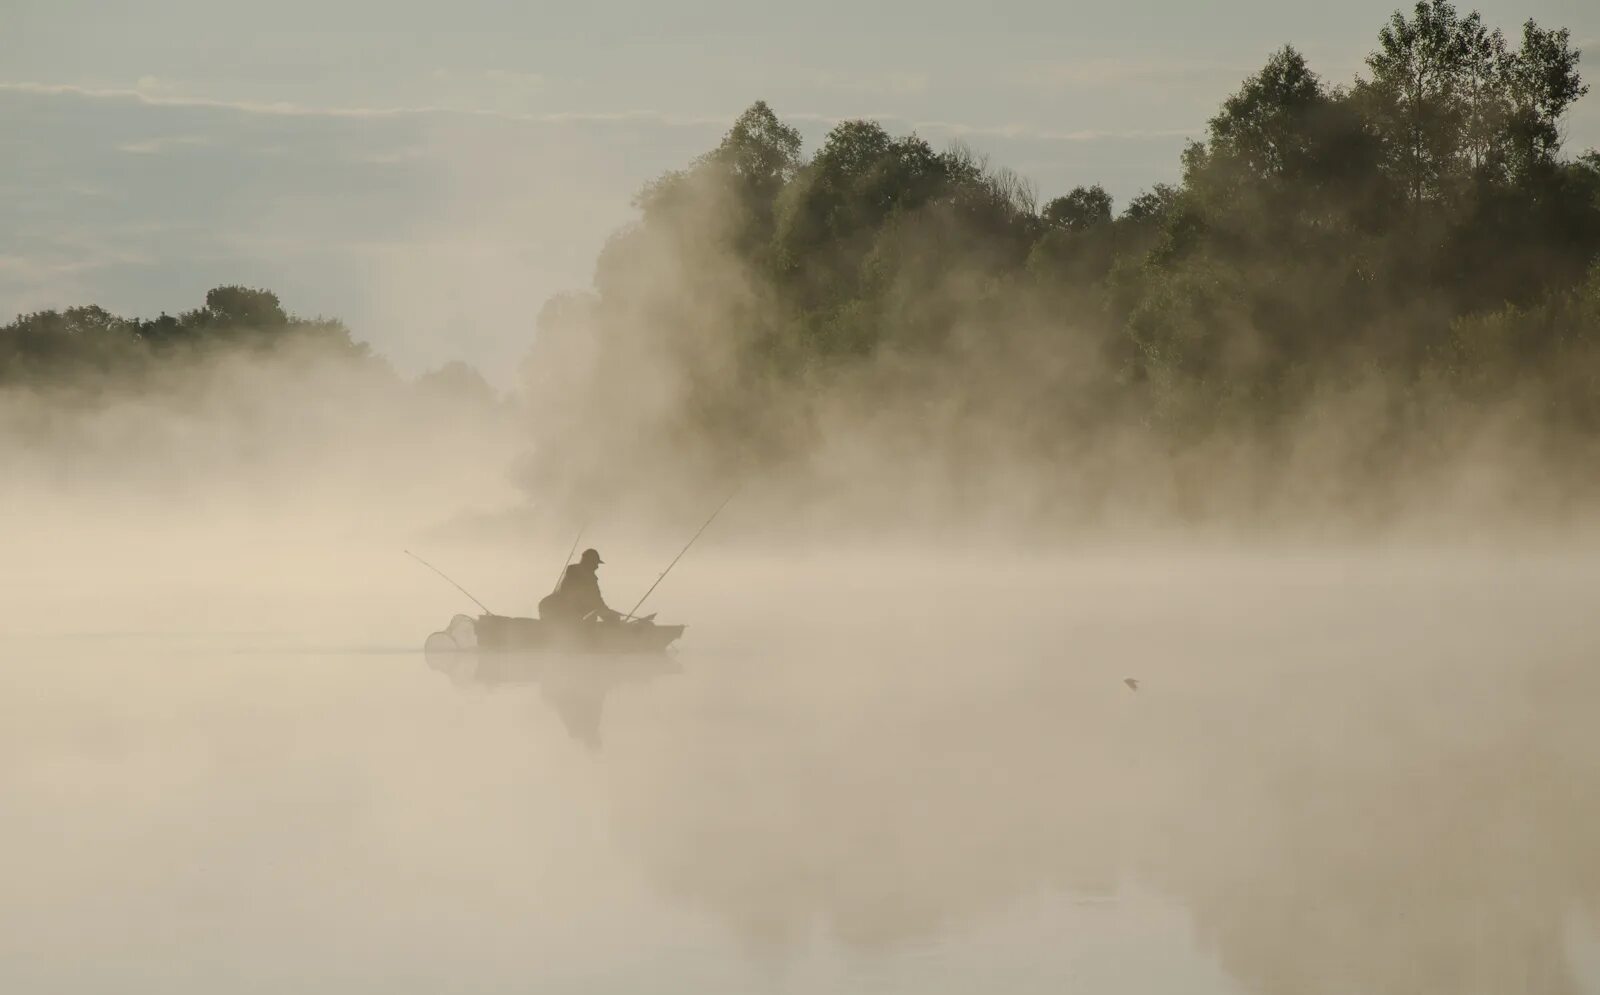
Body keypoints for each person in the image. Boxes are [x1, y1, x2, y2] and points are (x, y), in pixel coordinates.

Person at [538, 548, 622, 624]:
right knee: (590, 620)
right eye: (595, 563)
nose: (597, 567)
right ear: (589, 563)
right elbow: (596, 602)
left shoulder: (572, 573)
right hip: (562, 612)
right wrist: (610, 616)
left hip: (547, 606)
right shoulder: (588, 578)